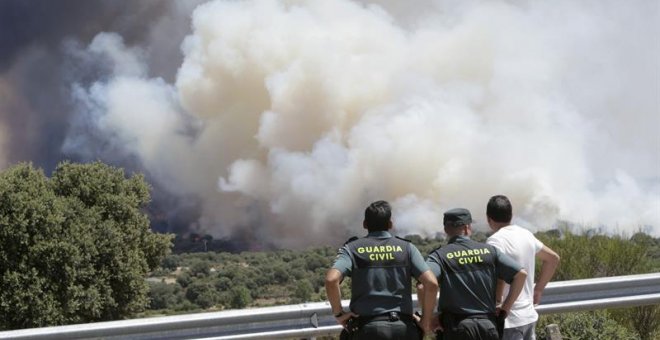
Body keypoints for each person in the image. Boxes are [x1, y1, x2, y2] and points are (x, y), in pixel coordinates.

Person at [325, 200, 439, 339]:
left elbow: (331, 280)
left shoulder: (352, 249)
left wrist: (339, 314)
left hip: (367, 329)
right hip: (403, 329)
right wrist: (425, 321)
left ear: (365, 224)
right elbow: (431, 284)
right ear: (390, 224)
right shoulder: (407, 248)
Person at [420, 208, 527, 340]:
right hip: (488, 326)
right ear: (467, 228)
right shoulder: (490, 251)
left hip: (457, 329)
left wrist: (428, 317)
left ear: (446, 230)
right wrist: (505, 309)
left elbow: (423, 284)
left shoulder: (439, 256)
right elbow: (521, 274)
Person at [486, 195, 561, 340]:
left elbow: (499, 277)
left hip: (508, 320)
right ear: (511, 215)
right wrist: (538, 289)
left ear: (488, 219)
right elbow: (553, 259)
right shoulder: (526, 234)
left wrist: (498, 304)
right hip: (528, 316)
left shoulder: (494, 241)